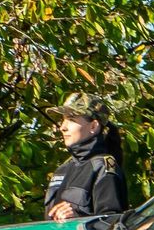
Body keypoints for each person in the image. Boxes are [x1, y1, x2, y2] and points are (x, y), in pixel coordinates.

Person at [43, 91, 129, 221]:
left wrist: (78, 218)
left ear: (93, 126)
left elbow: (112, 223)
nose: (63, 127)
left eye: (71, 120)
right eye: (63, 120)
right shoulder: (63, 169)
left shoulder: (103, 166)